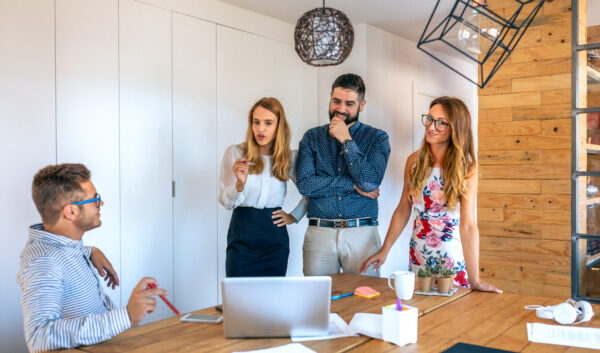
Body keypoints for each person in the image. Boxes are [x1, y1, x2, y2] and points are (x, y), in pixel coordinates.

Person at [17, 163, 168, 353]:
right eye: (95, 199)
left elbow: (58, 254)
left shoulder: (63, 246)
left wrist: (90, 251)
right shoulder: (43, 262)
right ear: (71, 211)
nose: (101, 204)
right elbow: (40, 335)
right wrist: (127, 315)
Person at [359, 97, 502, 293]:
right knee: (421, 312)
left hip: (451, 257)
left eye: (441, 123)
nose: (431, 126)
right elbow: (403, 209)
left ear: (456, 128)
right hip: (419, 254)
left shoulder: (466, 168)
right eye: (429, 119)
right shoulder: (414, 162)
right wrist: (385, 250)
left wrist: (475, 278)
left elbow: (468, 225)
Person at [296, 73, 391, 276]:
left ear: (362, 105)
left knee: (364, 299)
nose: (340, 109)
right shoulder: (311, 137)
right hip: (319, 232)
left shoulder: (378, 138)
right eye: (336, 101)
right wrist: (351, 185)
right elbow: (305, 184)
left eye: (349, 103)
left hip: (363, 234)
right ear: (330, 98)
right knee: (317, 300)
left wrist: (347, 140)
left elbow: (369, 182)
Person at [219, 97, 307, 277]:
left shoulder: (289, 158)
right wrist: (239, 184)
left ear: (279, 126)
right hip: (242, 231)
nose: (260, 129)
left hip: (274, 236)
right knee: (239, 299)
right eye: (256, 122)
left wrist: (294, 216)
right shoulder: (236, 153)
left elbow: (311, 192)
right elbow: (226, 202)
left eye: (268, 123)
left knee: (271, 299)